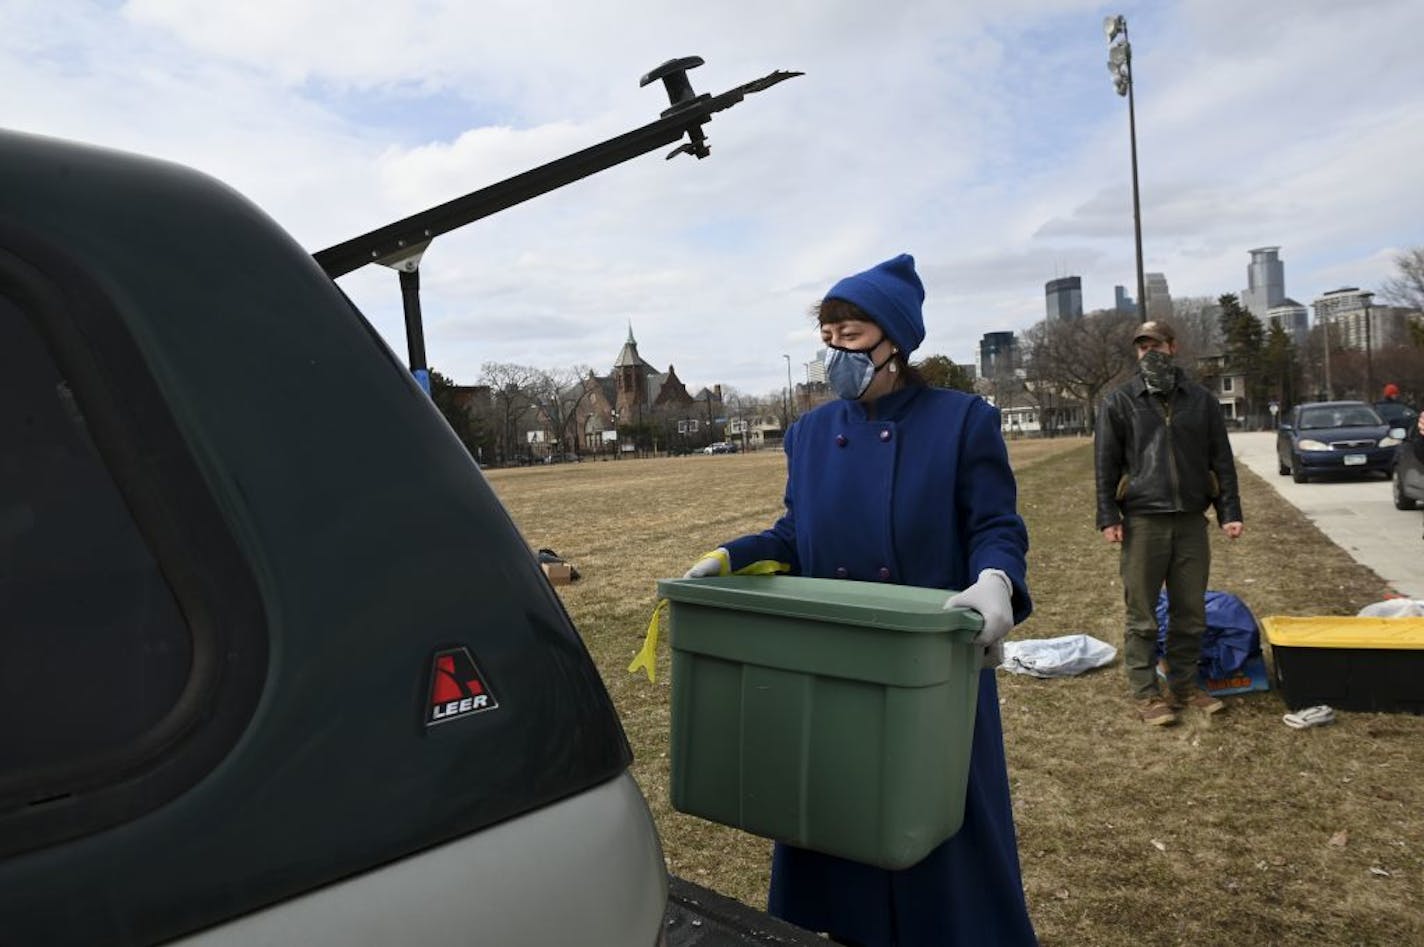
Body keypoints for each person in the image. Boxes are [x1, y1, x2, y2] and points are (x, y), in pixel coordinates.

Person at [682, 254, 1037, 946]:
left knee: (945, 845)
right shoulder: (809, 434)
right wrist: (736, 555)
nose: (836, 351)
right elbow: (795, 529)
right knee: (831, 825)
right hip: (833, 668)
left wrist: (996, 579)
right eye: (830, 336)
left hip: (929, 673)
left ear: (894, 341)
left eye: (851, 334)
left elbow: (995, 526)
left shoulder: (963, 421)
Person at [1094, 320, 1244, 726]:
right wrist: (1108, 515)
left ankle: (1184, 685)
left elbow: (1222, 460)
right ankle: (1146, 694)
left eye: (1156, 345)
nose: (1149, 353)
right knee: (1141, 613)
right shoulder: (1119, 401)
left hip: (1192, 521)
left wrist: (1229, 511)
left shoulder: (1201, 401)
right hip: (1143, 520)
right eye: (1143, 347)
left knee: (1190, 611)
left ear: (1173, 347)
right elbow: (1105, 462)